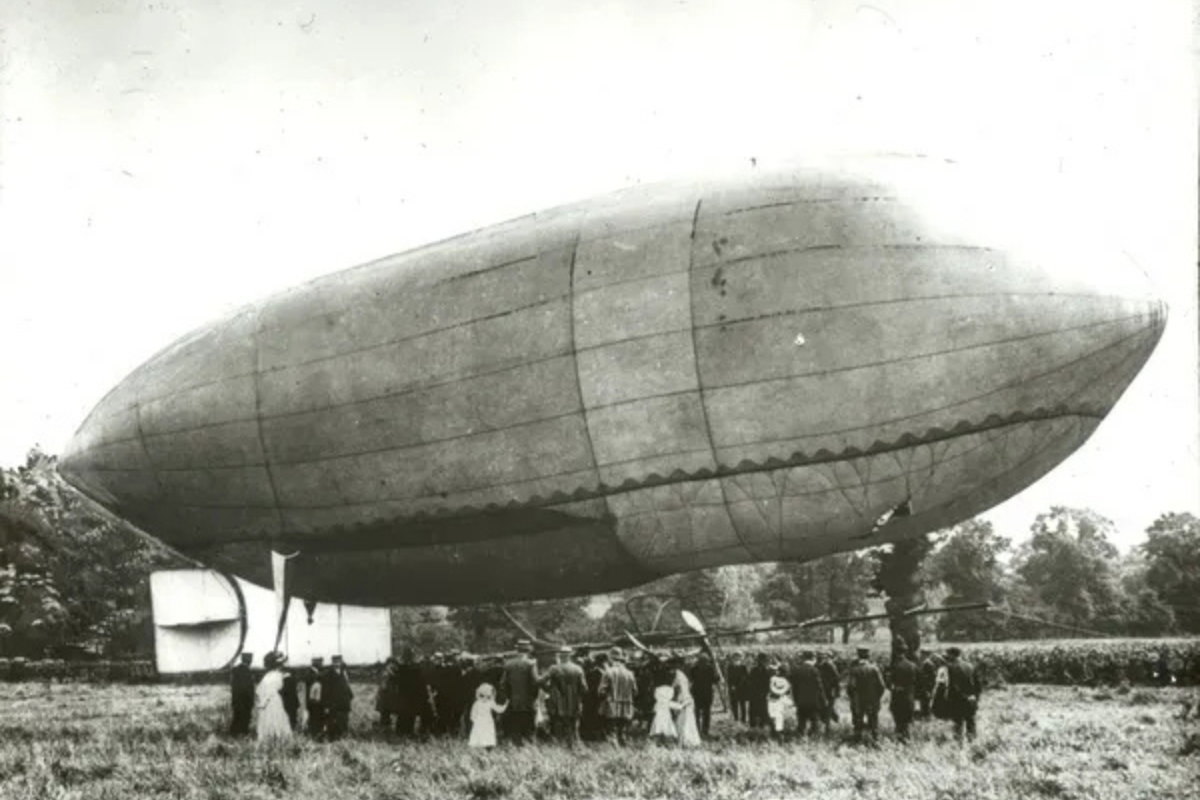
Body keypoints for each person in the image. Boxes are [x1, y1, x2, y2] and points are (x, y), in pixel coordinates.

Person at [541, 646, 587, 746]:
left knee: (558, 726)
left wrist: (549, 690)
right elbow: (584, 688)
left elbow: (540, 681)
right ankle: (573, 746)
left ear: (560, 656)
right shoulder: (578, 669)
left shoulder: (553, 668)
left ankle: (559, 748)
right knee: (573, 726)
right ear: (570, 656)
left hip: (557, 703)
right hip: (574, 702)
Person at [500, 640, 540, 744]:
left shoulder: (508, 664)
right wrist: (534, 698)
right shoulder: (531, 663)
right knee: (529, 730)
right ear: (528, 650)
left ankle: (516, 750)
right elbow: (535, 683)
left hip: (513, 702)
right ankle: (529, 753)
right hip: (528, 702)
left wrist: (508, 697)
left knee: (515, 729)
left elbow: (503, 684)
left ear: (517, 649)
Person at [846, 647, 886, 743]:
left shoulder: (854, 670)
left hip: (858, 700)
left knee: (858, 721)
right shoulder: (874, 669)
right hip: (872, 700)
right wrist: (877, 697)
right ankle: (875, 740)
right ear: (868, 656)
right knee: (873, 721)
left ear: (858, 655)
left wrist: (852, 697)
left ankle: (857, 740)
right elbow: (882, 686)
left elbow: (850, 686)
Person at [598, 649, 638, 745]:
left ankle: (614, 748)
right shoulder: (630, 674)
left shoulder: (608, 672)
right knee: (622, 729)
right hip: (627, 705)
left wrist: (602, 699)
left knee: (611, 729)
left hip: (612, 704)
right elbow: (635, 691)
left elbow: (601, 691)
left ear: (611, 659)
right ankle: (623, 746)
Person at [255, 652, 293, 745]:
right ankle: (278, 739)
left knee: (270, 718)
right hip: (273, 700)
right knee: (276, 718)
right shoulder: (277, 675)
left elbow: (259, 690)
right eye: (281, 664)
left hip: (268, 700)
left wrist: (262, 701)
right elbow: (273, 689)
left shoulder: (267, 676)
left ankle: (270, 739)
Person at [946, 647, 982, 742]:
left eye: (948, 655)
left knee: (958, 724)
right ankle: (972, 743)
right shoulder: (970, 666)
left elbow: (951, 686)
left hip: (957, 700)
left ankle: (958, 746)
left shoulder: (950, 668)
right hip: (971, 699)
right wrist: (975, 698)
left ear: (951, 655)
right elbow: (978, 685)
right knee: (971, 722)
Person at [788, 650, 826, 738]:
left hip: (800, 701)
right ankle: (814, 739)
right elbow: (819, 687)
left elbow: (793, 687)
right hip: (813, 701)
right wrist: (823, 700)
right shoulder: (814, 670)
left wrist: (795, 700)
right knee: (814, 721)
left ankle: (800, 737)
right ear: (812, 658)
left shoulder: (797, 670)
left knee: (801, 721)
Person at [671, 656, 702, 747]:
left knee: (683, 721)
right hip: (687, 699)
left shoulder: (678, 675)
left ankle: (684, 741)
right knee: (687, 721)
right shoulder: (683, 675)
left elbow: (676, 688)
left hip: (683, 699)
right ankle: (687, 740)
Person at [889, 647, 917, 742]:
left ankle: (899, 739)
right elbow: (917, 681)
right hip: (909, 695)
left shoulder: (895, 666)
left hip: (898, 695)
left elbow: (890, 682)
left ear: (896, 653)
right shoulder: (912, 665)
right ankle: (907, 738)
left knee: (898, 720)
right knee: (906, 721)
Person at [467, 683, 508, 749]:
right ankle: (478, 745)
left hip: (487, 721)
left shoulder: (490, 703)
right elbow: (473, 712)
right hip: (479, 721)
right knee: (479, 733)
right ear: (478, 694)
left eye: (488, 696)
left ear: (491, 696)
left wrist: (505, 706)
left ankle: (487, 746)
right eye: (482, 696)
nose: (485, 698)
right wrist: (474, 719)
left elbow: (498, 709)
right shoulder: (477, 703)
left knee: (487, 733)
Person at [325, 654, 354, 740]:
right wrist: (327, 704)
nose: (337, 664)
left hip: (344, 702)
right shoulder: (329, 674)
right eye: (335, 662)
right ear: (332, 663)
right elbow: (327, 690)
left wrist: (350, 696)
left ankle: (343, 736)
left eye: (339, 662)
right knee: (334, 721)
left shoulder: (344, 673)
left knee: (344, 720)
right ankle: (334, 738)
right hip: (334, 703)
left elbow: (347, 686)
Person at [690, 651, 719, 738]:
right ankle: (705, 730)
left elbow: (691, 679)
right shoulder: (710, 668)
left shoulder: (694, 669)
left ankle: (697, 729)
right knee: (706, 713)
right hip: (707, 693)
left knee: (697, 712)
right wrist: (717, 676)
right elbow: (715, 680)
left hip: (697, 693)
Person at [229, 652, 255, 736]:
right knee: (245, 717)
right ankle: (243, 733)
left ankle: (234, 733)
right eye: (250, 659)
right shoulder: (247, 671)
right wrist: (251, 700)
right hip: (245, 700)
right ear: (249, 660)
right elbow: (247, 688)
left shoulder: (236, 670)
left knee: (237, 716)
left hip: (236, 699)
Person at [816, 651, 840, 730]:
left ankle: (828, 727)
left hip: (829, 691)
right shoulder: (816, 666)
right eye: (818, 657)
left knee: (828, 709)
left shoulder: (829, 665)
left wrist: (837, 691)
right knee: (823, 708)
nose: (820, 659)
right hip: (820, 691)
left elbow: (836, 678)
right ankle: (834, 719)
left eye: (821, 657)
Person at [748, 653, 772, 729]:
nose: (764, 663)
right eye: (763, 661)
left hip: (762, 694)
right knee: (754, 711)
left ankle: (762, 725)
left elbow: (769, 683)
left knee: (763, 710)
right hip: (755, 694)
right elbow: (750, 682)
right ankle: (754, 726)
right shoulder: (754, 670)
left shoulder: (767, 671)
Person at [376, 657, 400, 731]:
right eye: (391, 663)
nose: (392, 665)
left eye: (393, 663)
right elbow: (383, 685)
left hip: (388, 695)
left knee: (386, 712)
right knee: (385, 712)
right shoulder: (386, 672)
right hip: (385, 695)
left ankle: (386, 727)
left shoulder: (390, 671)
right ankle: (385, 728)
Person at [305, 656, 327, 738]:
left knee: (320, 718)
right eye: (320, 661)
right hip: (313, 701)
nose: (321, 663)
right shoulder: (309, 673)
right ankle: (314, 735)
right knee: (314, 718)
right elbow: (310, 681)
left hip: (320, 701)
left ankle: (318, 734)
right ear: (314, 662)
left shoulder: (319, 672)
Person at [767, 674, 794, 739]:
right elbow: (790, 703)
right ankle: (779, 736)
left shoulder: (768, 698)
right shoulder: (782, 698)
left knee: (773, 723)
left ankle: (774, 734)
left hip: (772, 717)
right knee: (779, 722)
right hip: (779, 719)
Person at [727, 651, 750, 724]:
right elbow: (728, 678)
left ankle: (743, 719)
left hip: (742, 688)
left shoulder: (743, 667)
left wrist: (743, 681)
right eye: (735, 657)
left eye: (738, 657)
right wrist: (731, 686)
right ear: (732, 658)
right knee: (734, 704)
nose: (736, 658)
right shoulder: (729, 667)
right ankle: (736, 719)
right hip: (733, 689)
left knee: (742, 704)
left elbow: (746, 677)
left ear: (741, 658)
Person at [916, 649, 938, 719]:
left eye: (922, 654)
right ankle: (924, 715)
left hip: (927, 687)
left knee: (926, 702)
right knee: (923, 702)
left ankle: (927, 716)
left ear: (926, 655)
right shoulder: (924, 663)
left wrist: (928, 689)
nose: (921, 656)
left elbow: (932, 677)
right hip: (923, 686)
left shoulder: (928, 664)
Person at [280, 662, 300, 731]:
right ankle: (293, 729)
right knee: (293, 717)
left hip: (287, 702)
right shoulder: (293, 678)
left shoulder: (285, 680)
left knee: (289, 717)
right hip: (294, 701)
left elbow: (284, 691)